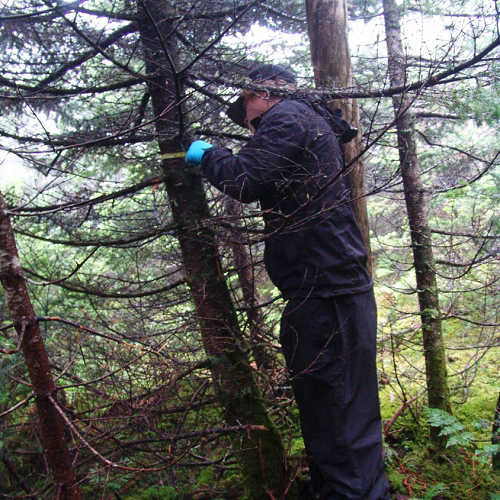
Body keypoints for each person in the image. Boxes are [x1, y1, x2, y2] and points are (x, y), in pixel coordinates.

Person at [185, 65, 391, 500]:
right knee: (337, 411)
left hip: (327, 292)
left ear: (264, 94)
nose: (248, 118)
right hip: (328, 288)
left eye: (248, 105)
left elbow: (245, 180)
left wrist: (208, 155)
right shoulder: (306, 120)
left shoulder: (289, 115)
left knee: (339, 413)